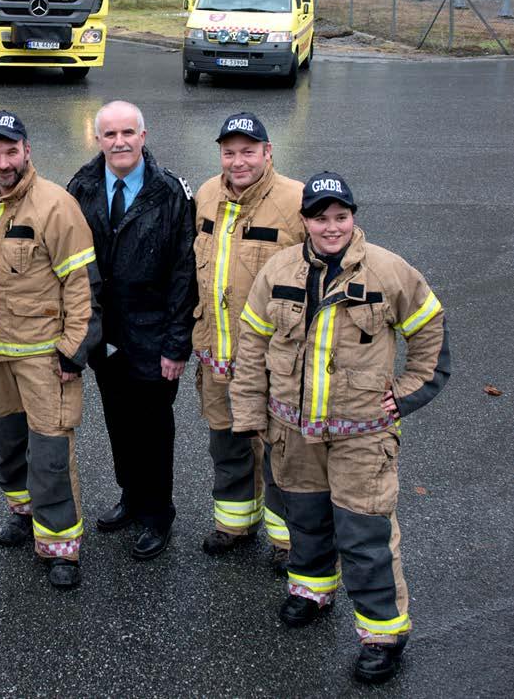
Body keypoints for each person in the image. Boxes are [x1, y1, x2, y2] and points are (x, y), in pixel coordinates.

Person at [230, 172, 450, 683]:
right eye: (320, 217)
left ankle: (382, 634)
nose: (331, 228)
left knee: (365, 537)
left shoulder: (389, 271)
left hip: (362, 437)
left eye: (341, 217)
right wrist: (248, 414)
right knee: (305, 521)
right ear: (304, 220)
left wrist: (406, 393)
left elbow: (430, 333)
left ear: (354, 217)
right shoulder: (279, 269)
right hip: (293, 433)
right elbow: (251, 346)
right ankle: (311, 589)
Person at [0, 110, 101, 589]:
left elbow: (82, 285)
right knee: (8, 446)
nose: (2, 162)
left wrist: (75, 351)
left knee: (51, 450)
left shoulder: (55, 205)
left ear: (27, 150)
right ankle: (23, 511)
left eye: (10, 151)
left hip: (42, 355)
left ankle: (60, 545)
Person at [66, 100, 198, 560]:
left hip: (155, 336)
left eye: (128, 133)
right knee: (118, 423)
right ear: (98, 140)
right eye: (110, 135)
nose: (119, 142)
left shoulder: (171, 194)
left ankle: (158, 513)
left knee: (154, 428)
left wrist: (177, 344)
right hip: (105, 337)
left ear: (144, 136)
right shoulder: (80, 187)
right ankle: (131, 496)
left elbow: (185, 274)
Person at [192, 112, 305, 570]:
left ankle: (288, 541)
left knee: (282, 451)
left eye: (248, 151)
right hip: (217, 352)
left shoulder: (297, 201)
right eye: (229, 152)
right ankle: (235, 523)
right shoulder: (205, 194)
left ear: (268, 151)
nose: (238, 161)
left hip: (273, 361)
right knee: (227, 443)